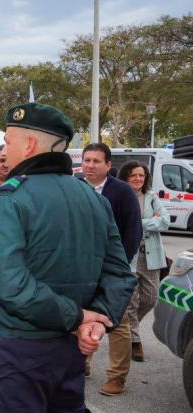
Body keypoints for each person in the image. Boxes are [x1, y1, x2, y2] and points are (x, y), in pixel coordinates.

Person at [0, 102, 136, 413]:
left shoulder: (9, 198)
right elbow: (119, 271)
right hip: (68, 355)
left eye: (8, 141)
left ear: (30, 144)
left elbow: (9, 284)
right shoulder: (91, 197)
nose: (4, 149)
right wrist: (96, 318)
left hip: (19, 353)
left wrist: (79, 317)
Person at [81, 142, 142, 395]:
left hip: (112, 271)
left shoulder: (122, 192)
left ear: (108, 165)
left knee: (116, 323)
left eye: (96, 161)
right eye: (86, 160)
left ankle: (117, 376)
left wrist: (118, 269)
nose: (90, 166)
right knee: (81, 318)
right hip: (81, 269)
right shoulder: (75, 187)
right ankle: (82, 363)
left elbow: (133, 231)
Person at [118, 160, 169, 363]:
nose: (138, 179)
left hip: (150, 255)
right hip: (128, 255)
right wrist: (151, 221)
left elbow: (164, 221)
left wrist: (137, 223)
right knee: (131, 300)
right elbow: (118, 223)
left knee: (150, 298)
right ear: (126, 177)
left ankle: (127, 328)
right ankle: (135, 341)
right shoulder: (121, 197)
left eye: (141, 175)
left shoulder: (151, 197)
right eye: (133, 175)